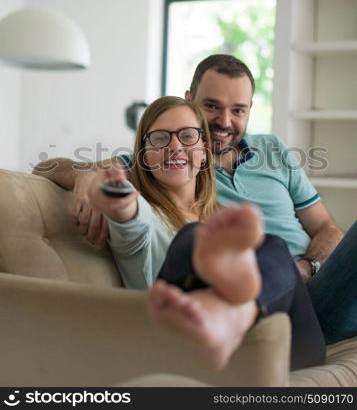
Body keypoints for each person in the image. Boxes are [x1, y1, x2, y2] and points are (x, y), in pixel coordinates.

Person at [32, 55, 353, 345]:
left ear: (250, 109)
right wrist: (88, 178)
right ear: (192, 100)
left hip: (315, 289)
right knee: (249, 246)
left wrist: (307, 268)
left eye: (237, 110)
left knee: (270, 248)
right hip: (264, 320)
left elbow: (327, 227)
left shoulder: (272, 151)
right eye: (211, 106)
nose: (225, 122)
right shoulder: (156, 167)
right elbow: (70, 176)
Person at [85, 95, 325, 370]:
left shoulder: (225, 219)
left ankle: (233, 315)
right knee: (193, 235)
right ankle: (221, 316)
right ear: (143, 153)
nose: (175, 147)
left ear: (204, 148)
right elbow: (130, 220)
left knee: (272, 244)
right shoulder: (147, 215)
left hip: (287, 347)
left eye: (187, 136)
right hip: (183, 345)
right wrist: (115, 198)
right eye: (160, 138)